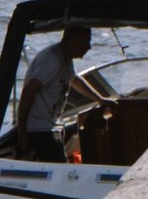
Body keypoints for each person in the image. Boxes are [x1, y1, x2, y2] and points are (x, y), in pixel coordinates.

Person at [15, 22, 98, 153]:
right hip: (38, 129)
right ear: (73, 39)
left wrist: (100, 99)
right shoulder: (52, 60)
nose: (89, 47)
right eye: (86, 41)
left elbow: (75, 81)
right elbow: (28, 92)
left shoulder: (66, 58)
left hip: (51, 123)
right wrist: (22, 133)